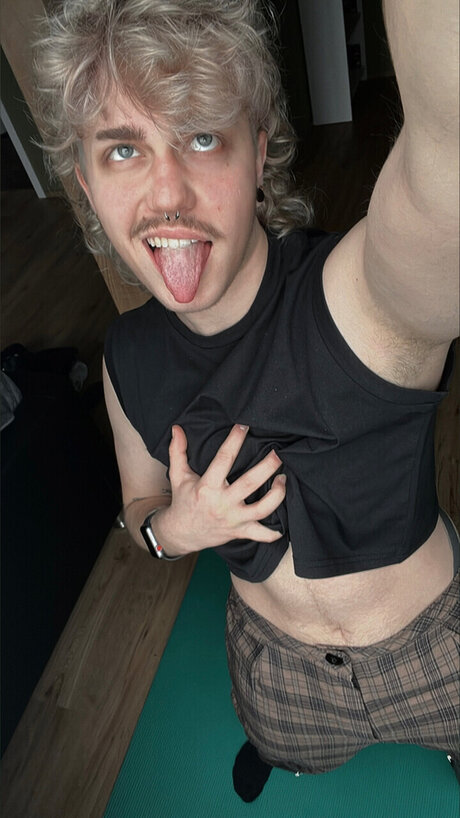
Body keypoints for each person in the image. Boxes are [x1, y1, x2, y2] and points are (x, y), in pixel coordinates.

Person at [34, 0, 459, 803]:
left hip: (439, 652)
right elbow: (139, 510)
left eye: (201, 137)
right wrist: (176, 530)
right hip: (277, 674)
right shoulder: (126, 358)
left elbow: (450, 172)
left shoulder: (362, 305)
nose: (166, 193)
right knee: (282, 746)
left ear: (260, 151)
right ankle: (289, 750)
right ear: (87, 183)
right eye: (122, 149)